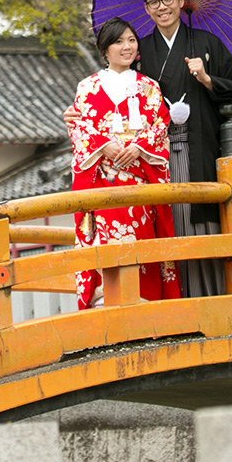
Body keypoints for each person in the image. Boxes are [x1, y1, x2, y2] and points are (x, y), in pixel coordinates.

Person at [136, 0, 232, 297]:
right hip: (159, 152)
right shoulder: (141, 51)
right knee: (168, 220)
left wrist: (206, 79)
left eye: (167, 0)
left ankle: (214, 296)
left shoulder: (206, 43)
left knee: (202, 219)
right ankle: (175, 300)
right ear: (147, 8)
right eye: (154, 3)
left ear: (180, 0)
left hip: (200, 147)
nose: (162, 7)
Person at [68, 17, 182, 310]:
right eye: (119, 41)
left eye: (131, 40)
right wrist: (103, 146)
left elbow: (160, 124)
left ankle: (146, 304)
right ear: (105, 49)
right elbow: (78, 127)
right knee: (104, 243)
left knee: (141, 241)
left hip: (139, 183)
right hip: (102, 181)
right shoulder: (88, 87)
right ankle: (106, 304)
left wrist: (139, 148)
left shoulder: (149, 87)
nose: (127, 47)